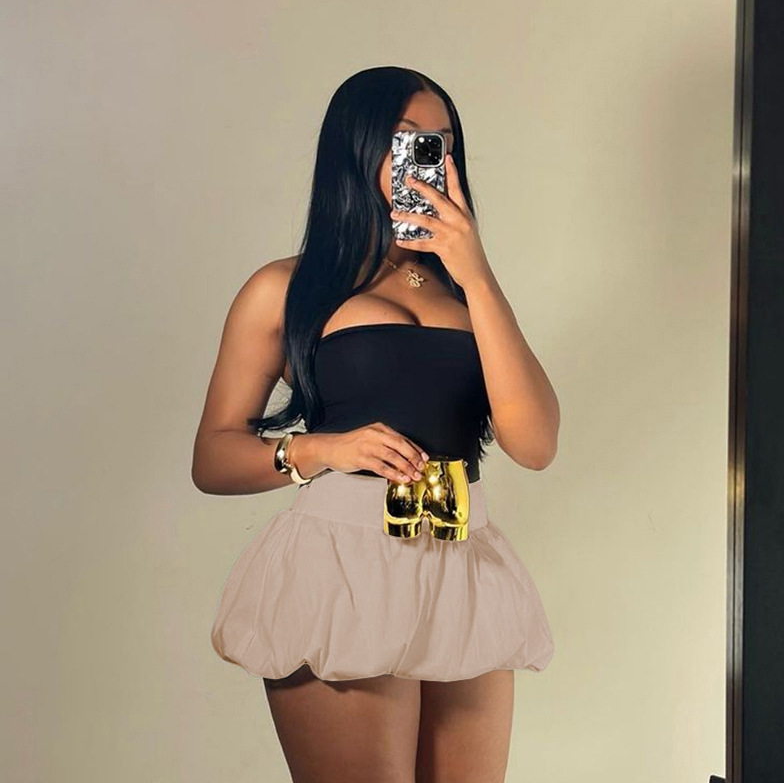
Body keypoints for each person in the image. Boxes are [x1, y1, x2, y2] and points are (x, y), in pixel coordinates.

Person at [192, 66, 560, 783]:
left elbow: (536, 444)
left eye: (441, 141)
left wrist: (476, 271)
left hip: (462, 558)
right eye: (405, 139)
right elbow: (213, 455)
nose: (426, 157)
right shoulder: (285, 287)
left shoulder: (468, 289)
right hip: (343, 560)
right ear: (356, 149)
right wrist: (322, 449)